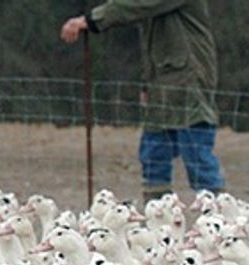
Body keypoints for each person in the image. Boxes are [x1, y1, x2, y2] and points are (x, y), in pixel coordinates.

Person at [61, 1, 225, 205]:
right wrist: (148, 83)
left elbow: (139, 4)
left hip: (188, 81)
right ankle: (157, 214)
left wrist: (93, 20)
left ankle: (217, 216)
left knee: (195, 151)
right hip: (162, 83)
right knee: (153, 152)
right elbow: (153, 43)